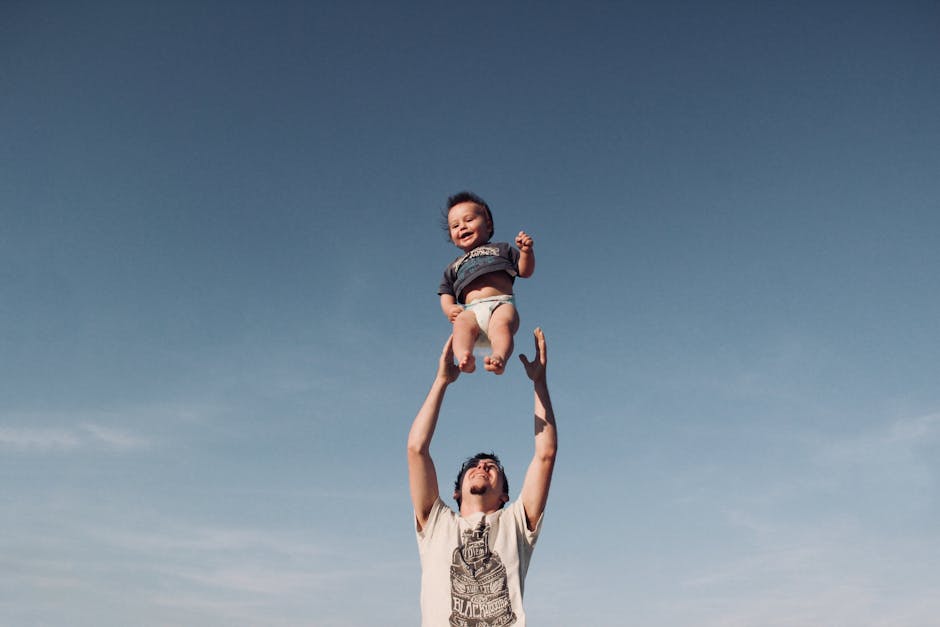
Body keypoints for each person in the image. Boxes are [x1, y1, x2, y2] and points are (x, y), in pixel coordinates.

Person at [407, 328, 557, 626]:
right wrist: (441, 381)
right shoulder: (437, 523)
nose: (482, 467)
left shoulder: (515, 523)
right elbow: (416, 449)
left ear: (504, 495)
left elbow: (545, 455)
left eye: (492, 467)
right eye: (474, 466)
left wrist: (539, 382)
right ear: (456, 492)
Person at [439, 191, 535, 375]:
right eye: (455, 225)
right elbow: (445, 292)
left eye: (469, 220)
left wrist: (526, 253)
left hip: (501, 303)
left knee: (501, 326)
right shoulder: (454, 266)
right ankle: (464, 357)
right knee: (461, 324)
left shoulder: (502, 249)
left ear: (488, 224)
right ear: (451, 236)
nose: (462, 227)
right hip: (471, 310)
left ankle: (499, 356)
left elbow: (525, 271)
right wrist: (450, 309)